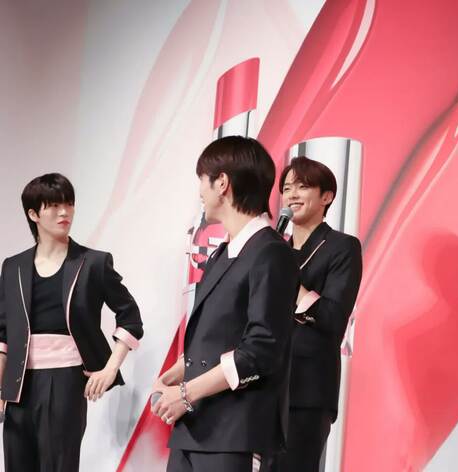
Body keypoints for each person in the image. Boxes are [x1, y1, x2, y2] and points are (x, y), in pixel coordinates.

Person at [152, 136, 299, 472]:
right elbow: (219, 334)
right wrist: (178, 372)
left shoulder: (271, 253)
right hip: (194, 428)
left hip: (236, 431)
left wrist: (187, 393)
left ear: (222, 183)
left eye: (202, 181)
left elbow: (261, 350)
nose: (200, 192)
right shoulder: (223, 253)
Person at [0, 172, 143, 471]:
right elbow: (3, 334)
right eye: (54, 205)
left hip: (65, 380)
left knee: (59, 464)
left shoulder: (93, 263)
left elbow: (130, 316)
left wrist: (110, 368)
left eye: (69, 204)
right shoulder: (13, 267)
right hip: (18, 386)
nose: (64, 212)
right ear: (33, 214)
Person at [273, 156, 363, 471]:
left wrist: (289, 281)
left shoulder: (342, 247)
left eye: (302, 186)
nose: (292, 195)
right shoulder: (273, 248)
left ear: (326, 196)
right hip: (262, 386)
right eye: (286, 188)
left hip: (306, 390)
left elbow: (333, 317)